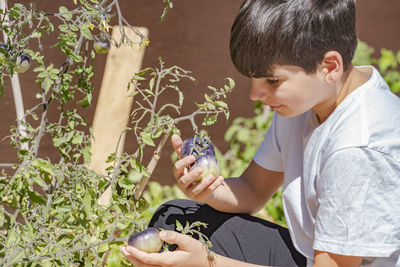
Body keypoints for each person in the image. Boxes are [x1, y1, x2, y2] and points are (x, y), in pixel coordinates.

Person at [119, 0, 400, 266]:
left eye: (272, 80)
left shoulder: (357, 148)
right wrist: (207, 190)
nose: (256, 94)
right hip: (313, 254)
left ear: (330, 67)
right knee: (173, 219)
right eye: (253, 79)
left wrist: (209, 262)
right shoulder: (314, 96)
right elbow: (253, 190)